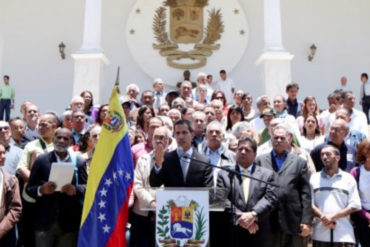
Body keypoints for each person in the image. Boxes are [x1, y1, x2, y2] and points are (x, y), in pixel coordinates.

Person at [26, 128, 87, 247]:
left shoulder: (79, 161)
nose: (61, 141)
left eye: (66, 138)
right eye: (58, 137)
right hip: (44, 223)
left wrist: (75, 190)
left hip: (69, 224)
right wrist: (41, 190)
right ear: (53, 139)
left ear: (71, 142)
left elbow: (87, 187)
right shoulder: (41, 160)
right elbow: (29, 189)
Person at [255, 125, 313, 247]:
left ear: (289, 139)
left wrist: (306, 221)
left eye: (282, 138)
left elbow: (305, 193)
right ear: (271, 140)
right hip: (267, 219)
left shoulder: (299, 162)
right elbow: (255, 191)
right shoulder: (260, 160)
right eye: (276, 138)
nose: (279, 141)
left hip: (292, 220)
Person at [217, 137, 278, 247]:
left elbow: (271, 198)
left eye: (247, 150)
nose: (243, 152)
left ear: (255, 154)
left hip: (259, 233)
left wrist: (253, 215)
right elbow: (220, 199)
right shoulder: (224, 174)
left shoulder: (267, 175)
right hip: (232, 234)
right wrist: (242, 219)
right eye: (240, 149)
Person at [310, 145, 361, 247]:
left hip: (344, 236)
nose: (324, 157)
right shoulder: (314, 178)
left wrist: (333, 216)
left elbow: (355, 205)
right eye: (322, 155)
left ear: (337, 157)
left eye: (328, 154)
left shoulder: (348, 179)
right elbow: (310, 203)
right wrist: (324, 217)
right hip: (320, 235)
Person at [131, 126, 171, 247]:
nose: (158, 141)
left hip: (167, 214)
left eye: (162, 138)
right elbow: (137, 185)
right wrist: (152, 203)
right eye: (156, 138)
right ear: (151, 140)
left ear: (168, 141)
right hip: (143, 214)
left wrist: (162, 205)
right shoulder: (143, 159)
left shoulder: (174, 160)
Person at [149, 119, 213, 188]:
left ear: (192, 135)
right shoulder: (166, 159)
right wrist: (158, 165)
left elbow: (208, 190)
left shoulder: (203, 161)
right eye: (177, 133)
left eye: (184, 133)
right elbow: (154, 184)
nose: (181, 137)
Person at [198, 120, 236, 185]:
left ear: (223, 136)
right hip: (204, 192)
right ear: (206, 136)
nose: (214, 134)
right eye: (211, 132)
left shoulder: (232, 156)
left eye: (217, 132)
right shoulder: (198, 156)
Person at [0, 144, 22, 247]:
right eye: (0, 153)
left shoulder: (11, 180)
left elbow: (16, 209)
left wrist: (1, 229)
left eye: (4, 153)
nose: (3, 156)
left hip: (4, 235)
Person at [350, 139, 370, 247]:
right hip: (362, 218)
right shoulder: (356, 172)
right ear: (363, 152)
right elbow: (354, 198)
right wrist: (367, 215)